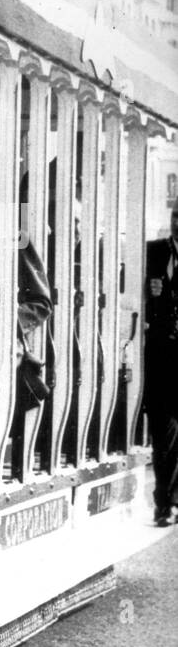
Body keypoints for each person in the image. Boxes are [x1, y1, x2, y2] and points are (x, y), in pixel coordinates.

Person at [144, 202, 178, 525]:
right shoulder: (153, 251)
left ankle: (172, 499)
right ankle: (163, 502)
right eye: (176, 216)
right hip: (159, 359)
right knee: (162, 434)